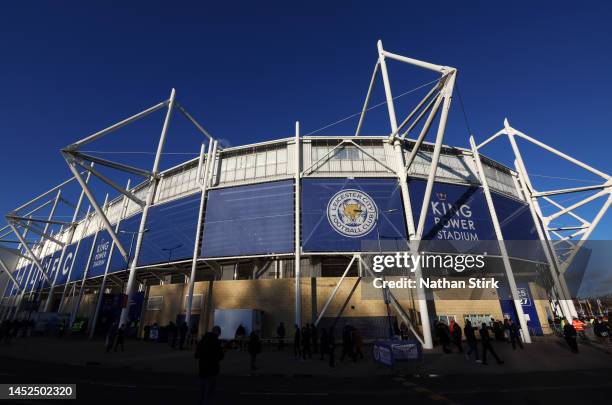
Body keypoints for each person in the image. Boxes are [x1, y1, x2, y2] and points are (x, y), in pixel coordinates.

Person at [195, 326, 224, 405]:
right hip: (212, 369)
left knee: (202, 390)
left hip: (203, 368)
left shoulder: (203, 340)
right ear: (218, 332)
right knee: (210, 391)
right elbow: (220, 356)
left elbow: (197, 354)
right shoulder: (216, 341)